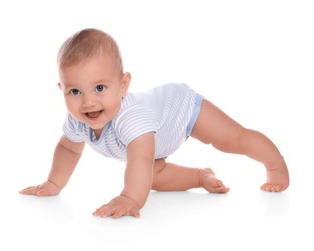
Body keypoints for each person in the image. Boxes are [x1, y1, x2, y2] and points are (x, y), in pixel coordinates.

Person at [20, 28, 289, 218]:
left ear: (123, 85)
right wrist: (54, 183)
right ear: (62, 89)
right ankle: (200, 176)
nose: (88, 102)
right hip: (156, 145)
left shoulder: (131, 117)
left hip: (180, 110)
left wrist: (130, 198)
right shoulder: (78, 121)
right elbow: (68, 149)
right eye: (75, 92)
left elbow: (140, 159)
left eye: (100, 87)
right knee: (152, 178)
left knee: (232, 139)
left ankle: (275, 164)